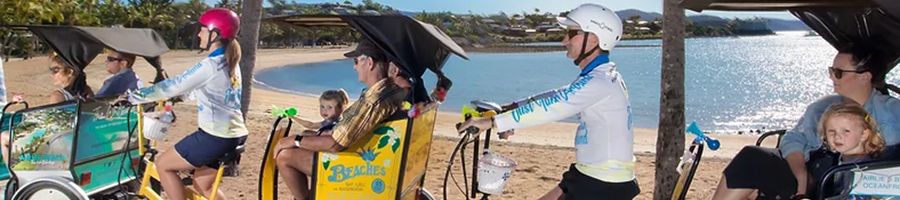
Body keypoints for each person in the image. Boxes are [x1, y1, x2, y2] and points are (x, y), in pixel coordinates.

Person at [456, 3, 639, 200]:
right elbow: (558, 95)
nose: (564, 40)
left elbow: (553, 107)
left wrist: (493, 122)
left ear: (593, 39)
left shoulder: (600, 82)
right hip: (591, 173)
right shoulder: (600, 77)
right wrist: (514, 107)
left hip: (603, 184)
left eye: (571, 33)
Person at [712, 45, 900, 200]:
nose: (832, 78)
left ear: (864, 77)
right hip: (809, 174)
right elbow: (793, 138)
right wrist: (800, 173)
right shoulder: (823, 106)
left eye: (838, 73)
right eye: (831, 71)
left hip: (845, 182)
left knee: (753, 175)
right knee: (752, 159)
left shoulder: (891, 111)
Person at [123, 8, 247, 200]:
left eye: (203, 29)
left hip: (215, 136)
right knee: (202, 186)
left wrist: (132, 97)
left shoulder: (210, 64)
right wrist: (179, 98)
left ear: (215, 34)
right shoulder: (230, 61)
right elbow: (207, 89)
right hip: (235, 135)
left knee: (164, 165)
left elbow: (172, 85)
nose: (199, 33)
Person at [273, 40, 406, 200]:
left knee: (285, 155)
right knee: (307, 133)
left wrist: (294, 140)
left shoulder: (374, 100)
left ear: (369, 63)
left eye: (356, 61)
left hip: (355, 163)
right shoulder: (389, 90)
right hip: (364, 150)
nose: (354, 67)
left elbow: (335, 144)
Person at [818, 102, 885, 199]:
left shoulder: (863, 169)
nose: (837, 136)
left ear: (863, 134)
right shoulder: (842, 161)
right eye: (832, 131)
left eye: (846, 131)